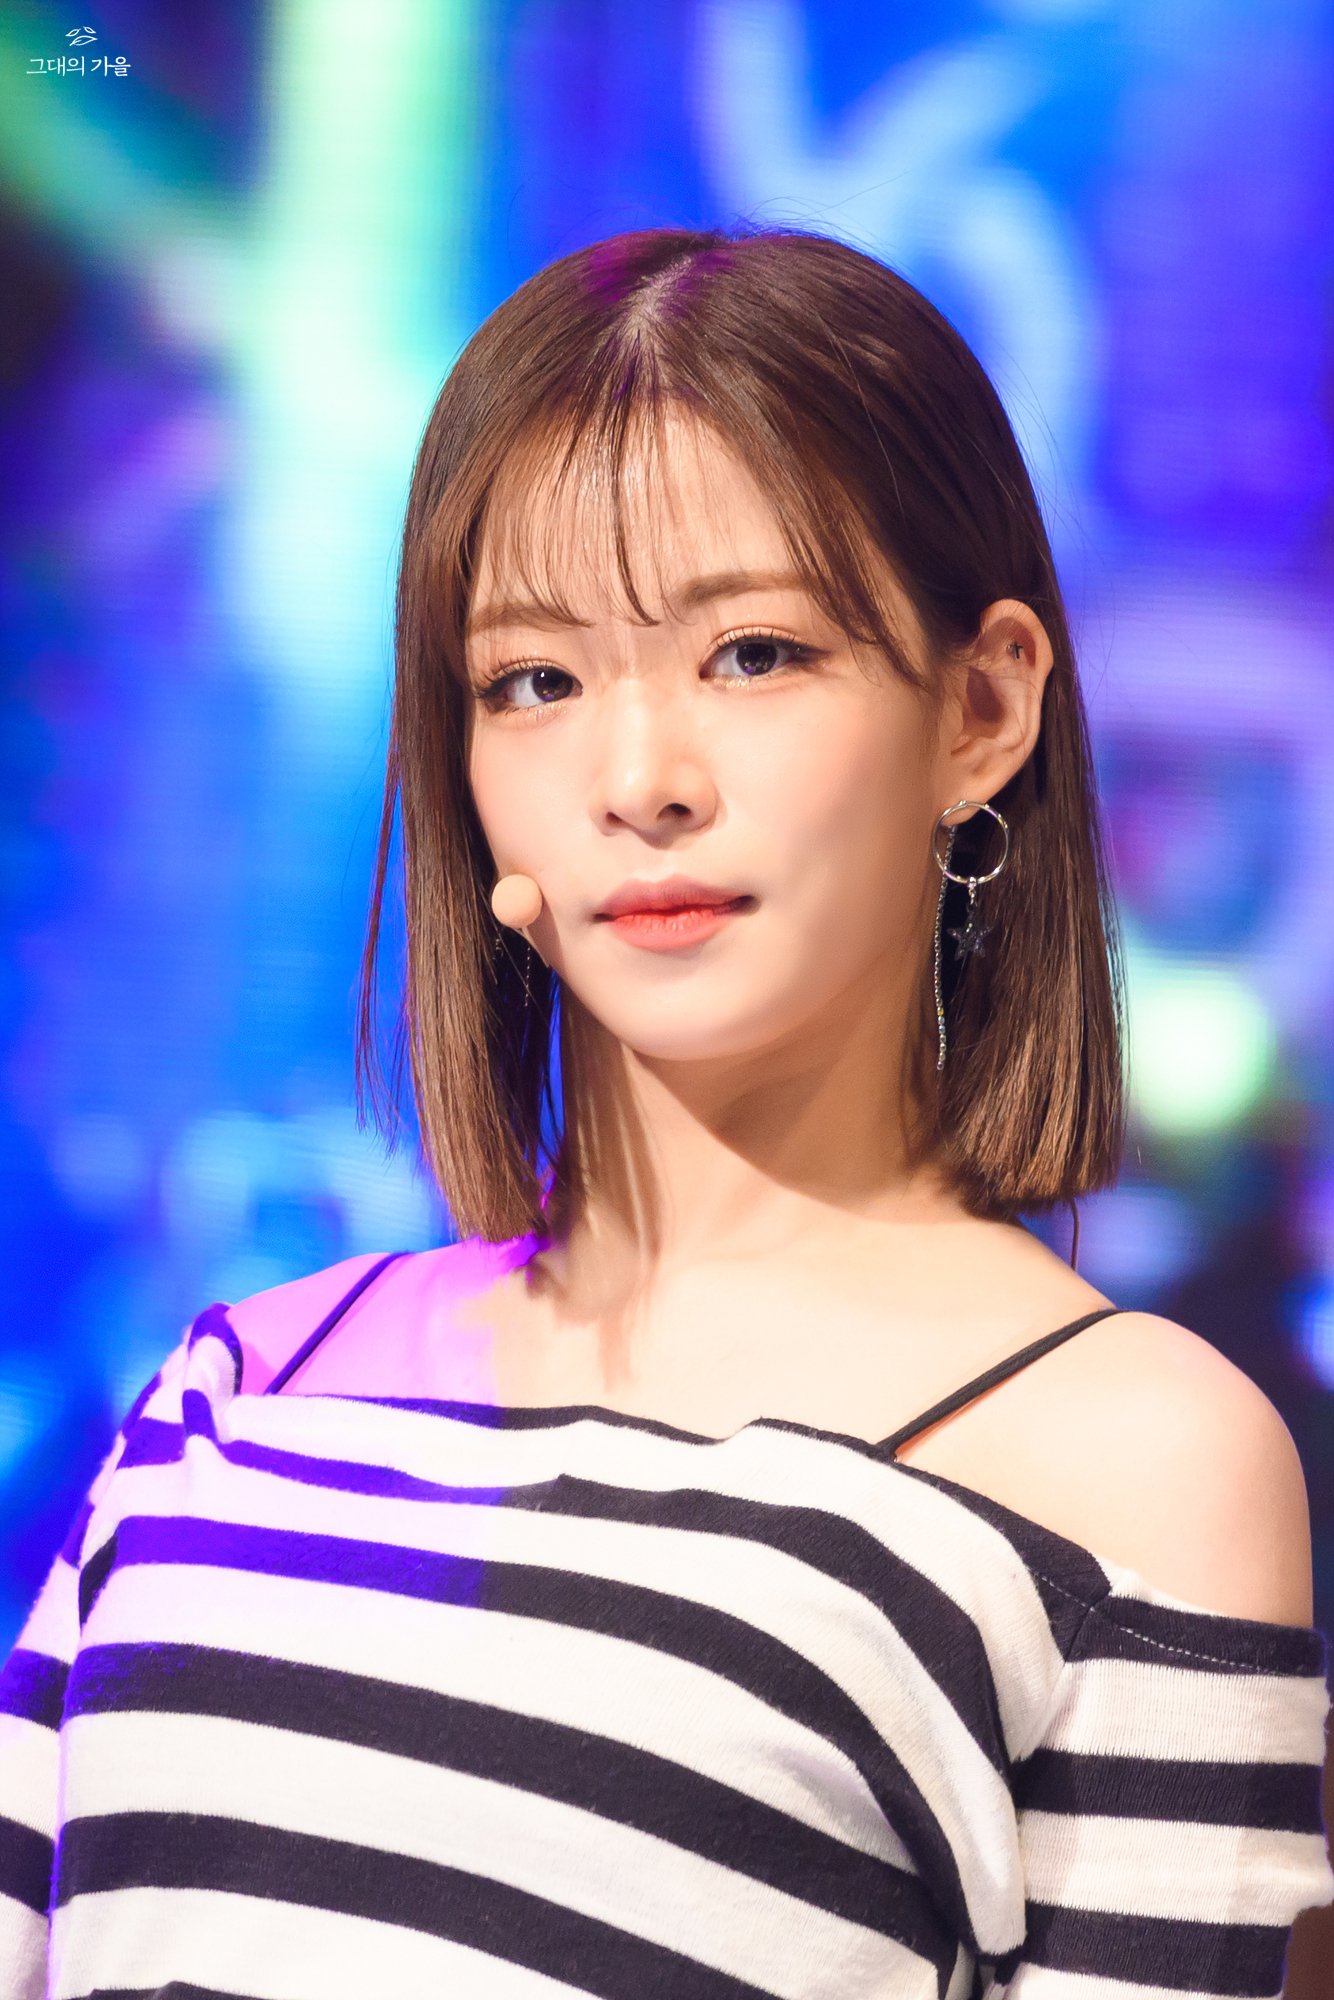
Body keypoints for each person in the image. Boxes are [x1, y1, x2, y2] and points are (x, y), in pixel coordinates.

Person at [2, 224, 1331, 1997]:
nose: (638, 781)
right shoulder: (236, 1392)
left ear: (981, 707)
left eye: (753, 654)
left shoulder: (1134, 1462)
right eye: (533, 682)